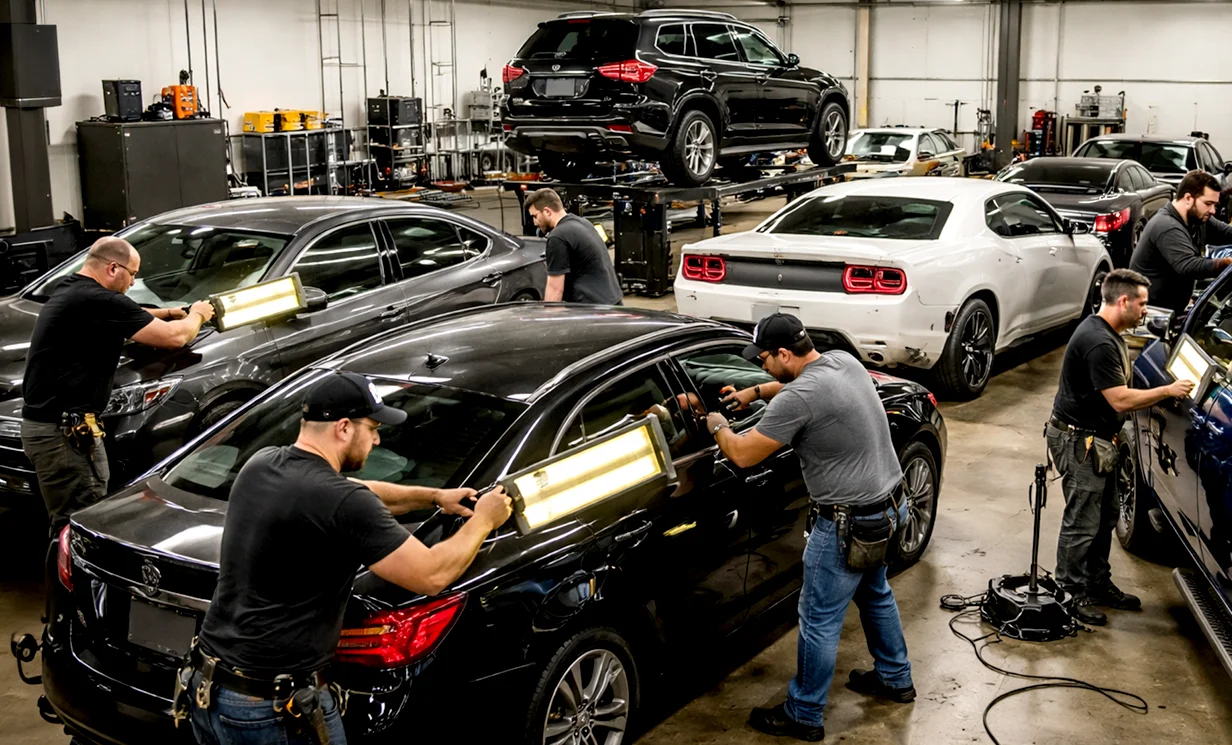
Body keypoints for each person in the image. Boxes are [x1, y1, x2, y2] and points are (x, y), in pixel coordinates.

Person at [188, 371, 513, 745]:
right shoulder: (342, 503)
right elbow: (433, 574)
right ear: (343, 428)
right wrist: (486, 519)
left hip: (210, 690)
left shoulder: (262, 464)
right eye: (372, 427)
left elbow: (359, 490)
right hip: (272, 710)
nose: (376, 438)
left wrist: (435, 497)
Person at [705, 313, 913, 742]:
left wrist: (718, 426)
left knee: (818, 620)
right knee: (875, 592)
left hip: (846, 524)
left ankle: (803, 715)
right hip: (892, 508)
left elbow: (743, 455)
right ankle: (896, 678)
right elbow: (803, 390)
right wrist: (755, 392)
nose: (760, 366)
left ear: (784, 353)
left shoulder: (797, 401)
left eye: (763, 359)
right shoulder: (841, 361)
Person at [20, 237, 215, 531]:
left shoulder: (73, 289)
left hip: (50, 430)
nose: (134, 282)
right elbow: (175, 337)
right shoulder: (100, 300)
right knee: (78, 522)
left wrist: (167, 313)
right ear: (113, 268)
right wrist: (199, 314)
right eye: (133, 274)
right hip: (64, 436)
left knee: (69, 516)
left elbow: (125, 313)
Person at [1046, 269, 1193, 626]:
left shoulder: (1108, 333)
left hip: (1098, 440)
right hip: (1079, 441)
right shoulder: (1098, 342)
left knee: (1106, 514)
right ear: (1123, 301)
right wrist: (1166, 392)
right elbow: (1119, 400)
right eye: (1142, 303)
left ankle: (1096, 583)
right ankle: (1068, 593)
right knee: (1082, 521)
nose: (1146, 310)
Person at [1128, 170, 1232, 315]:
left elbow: (1226, 233)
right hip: (1149, 315)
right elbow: (1189, 266)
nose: (1213, 210)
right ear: (1188, 198)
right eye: (1208, 203)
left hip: (1172, 309)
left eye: (1215, 204)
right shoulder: (1167, 226)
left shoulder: (1198, 218)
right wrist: (1227, 263)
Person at [524, 188, 623, 305]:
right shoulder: (583, 223)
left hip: (594, 311)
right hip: (613, 303)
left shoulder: (558, 237)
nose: (535, 222)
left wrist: (549, 319)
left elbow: (555, 289)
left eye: (535, 216)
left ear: (547, 212)